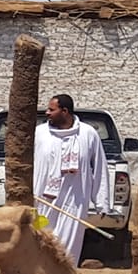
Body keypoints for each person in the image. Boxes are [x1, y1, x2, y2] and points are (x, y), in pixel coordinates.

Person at [33, 93, 109, 265]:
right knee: (40, 243)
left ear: (64, 111)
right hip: (42, 200)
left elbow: (99, 168)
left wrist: (101, 201)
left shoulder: (88, 134)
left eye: (51, 109)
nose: (47, 112)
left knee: (68, 250)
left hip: (74, 202)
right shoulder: (39, 133)